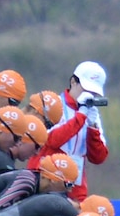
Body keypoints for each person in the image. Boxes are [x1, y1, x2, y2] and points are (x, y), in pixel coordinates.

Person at [41, 61, 109, 203]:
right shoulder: (53, 104)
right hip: (47, 181)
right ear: (73, 82)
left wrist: (93, 128)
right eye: (86, 89)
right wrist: (80, 117)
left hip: (75, 185)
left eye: (93, 92)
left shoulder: (92, 114)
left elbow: (99, 157)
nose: (90, 95)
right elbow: (52, 141)